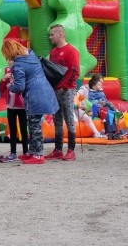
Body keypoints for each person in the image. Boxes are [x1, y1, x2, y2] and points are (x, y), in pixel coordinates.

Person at [3, 39, 59, 165]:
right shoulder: (31, 56)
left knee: (34, 126)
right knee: (32, 124)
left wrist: (9, 87)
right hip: (45, 92)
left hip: (34, 96)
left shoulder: (18, 65)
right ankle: (32, 152)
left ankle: (38, 155)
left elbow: (19, 87)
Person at [46, 24, 80, 161]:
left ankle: (71, 149)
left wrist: (65, 86)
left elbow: (75, 70)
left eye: (52, 34)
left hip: (66, 90)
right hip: (55, 89)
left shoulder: (72, 51)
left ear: (61, 34)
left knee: (69, 119)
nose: (50, 37)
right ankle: (58, 149)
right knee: (57, 119)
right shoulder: (53, 52)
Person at [0, 60, 28, 160]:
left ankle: (26, 152)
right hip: (10, 106)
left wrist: (12, 85)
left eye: (11, 61)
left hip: (22, 106)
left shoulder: (21, 71)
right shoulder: (7, 72)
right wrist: (3, 79)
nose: (9, 62)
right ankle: (13, 152)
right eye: (8, 61)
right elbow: (1, 89)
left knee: (24, 129)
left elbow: (23, 87)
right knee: (12, 130)